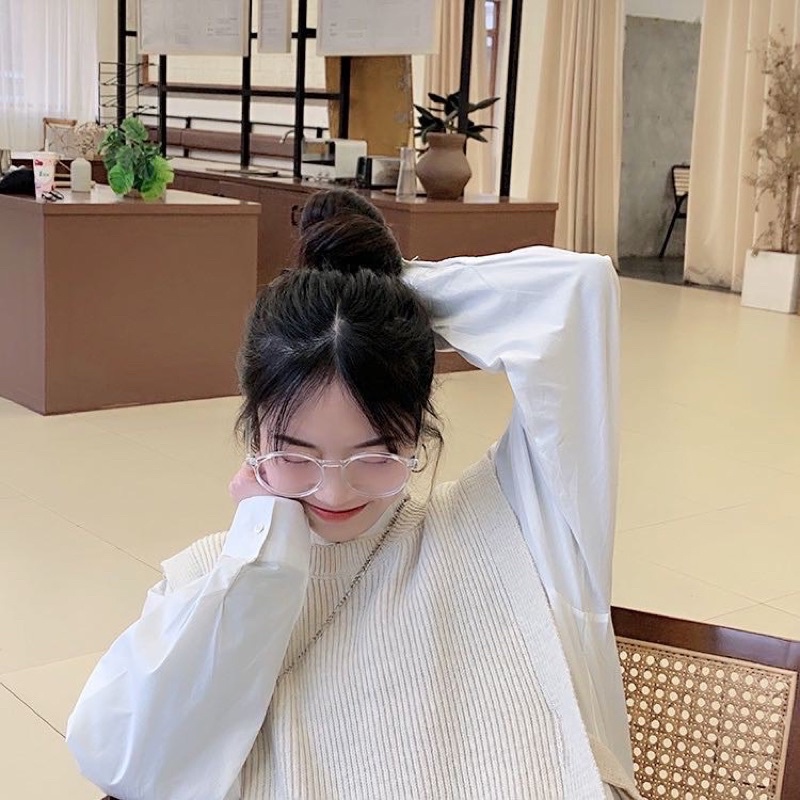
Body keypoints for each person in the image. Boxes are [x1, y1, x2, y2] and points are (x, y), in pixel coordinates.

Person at [66, 191, 641, 800]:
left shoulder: (510, 527)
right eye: (295, 456)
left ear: (418, 431)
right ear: (253, 433)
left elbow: (574, 297)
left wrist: (380, 301)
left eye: (376, 455)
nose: (335, 491)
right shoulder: (216, 576)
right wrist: (265, 558)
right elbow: (122, 760)